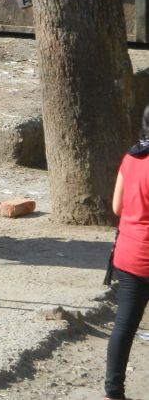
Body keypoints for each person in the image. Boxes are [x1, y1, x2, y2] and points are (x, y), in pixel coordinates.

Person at [105, 104, 149, 400]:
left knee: (124, 324)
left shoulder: (132, 156)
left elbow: (117, 208)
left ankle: (112, 392)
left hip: (129, 254)